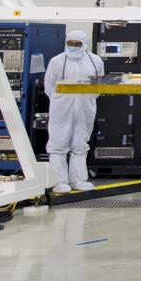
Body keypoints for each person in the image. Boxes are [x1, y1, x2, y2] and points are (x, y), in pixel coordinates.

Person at [43, 30, 104, 194]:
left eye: (77, 44)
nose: (73, 47)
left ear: (84, 44)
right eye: (70, 44)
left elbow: (99, 86)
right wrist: (62, 100)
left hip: (85, 108)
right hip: (61, 109)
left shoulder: (95, 61)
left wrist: (86, 99)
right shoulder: (56, 61)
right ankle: (59, 181)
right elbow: (49, 87)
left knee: (80, 144)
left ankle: (78, 180)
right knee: (58, 144)